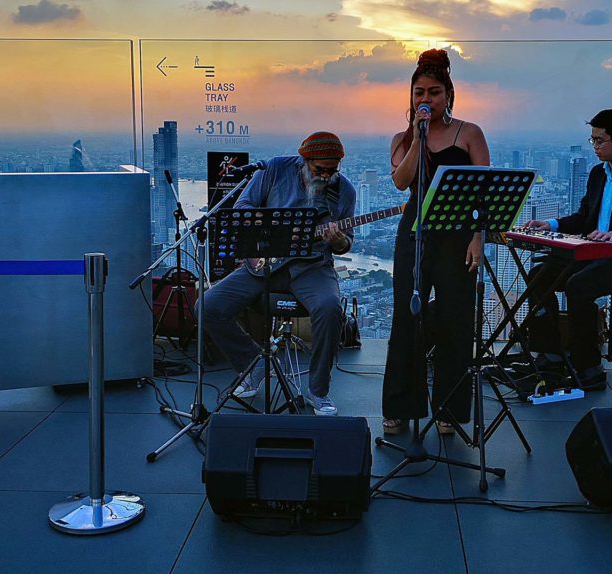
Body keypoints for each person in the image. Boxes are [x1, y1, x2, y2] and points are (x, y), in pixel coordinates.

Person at [202, 131, 356, 416]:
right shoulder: (273, 169)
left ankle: (318, 391)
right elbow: (243, 207)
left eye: (331, 170)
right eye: (318, 169)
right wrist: (275, 228)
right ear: (303, 160)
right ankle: (254, 365)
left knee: (330, 307)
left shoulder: (344, 191)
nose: (325, 175)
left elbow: (347, 243)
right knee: (208, 306)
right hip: (265, 264)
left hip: (311, 267)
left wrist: (338, 241)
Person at [381, 49, 491, 435]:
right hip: (414, 232)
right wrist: (417, 137)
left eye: (434, 92)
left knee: (454, 321)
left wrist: (478, 238)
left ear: (449, 95)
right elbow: (401, 181)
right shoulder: (401, 138)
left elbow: (485, 193)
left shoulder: (469, 133)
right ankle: (399, 405)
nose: (425, 99)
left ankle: (450, 409)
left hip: (459, 234)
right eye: (418, 93)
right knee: (406, 319)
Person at [524, 109, 612, 390]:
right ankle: (550, 354)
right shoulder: (597, 175)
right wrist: (550, 224)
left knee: (580, 286)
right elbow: (583, 218)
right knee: (538, 275)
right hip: (591, 253)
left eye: (599, 140)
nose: (595, 147)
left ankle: (588, 366)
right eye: (592, 140)